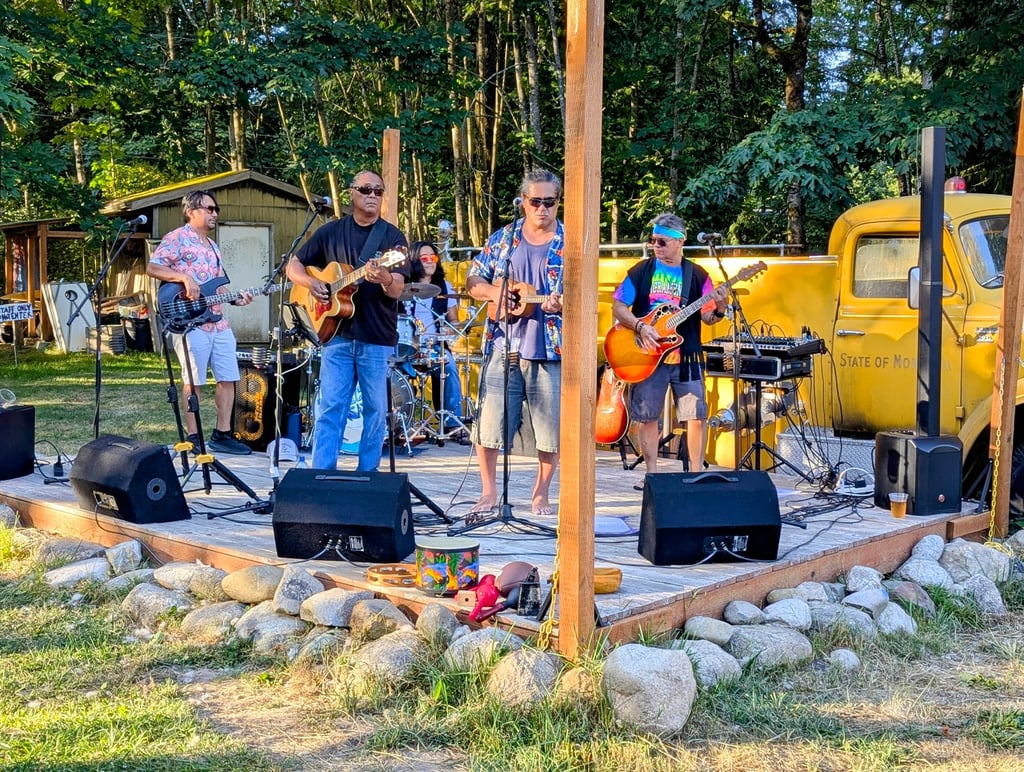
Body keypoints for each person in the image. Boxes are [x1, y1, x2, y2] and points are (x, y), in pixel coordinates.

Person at [286, 170, 409, 471]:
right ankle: (321, 473)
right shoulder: (331, 231)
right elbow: (293, 264)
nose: (372, 196)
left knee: (376, 410)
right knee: (330, 407)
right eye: (366, 189)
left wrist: (383, 278)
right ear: (351, 194)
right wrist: (310, 283)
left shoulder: (393, 238)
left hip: (376, 337)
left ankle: (368, 475)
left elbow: (397, 289)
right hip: (336, 335)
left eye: (378, 191)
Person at [466, 168, 564, 516]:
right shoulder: (504, 239)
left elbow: (577, 295)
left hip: (548, 346)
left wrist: (556, 303)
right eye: (535, 201)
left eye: (549, 202)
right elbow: (473, 279)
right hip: (502, 343)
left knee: (550, 427)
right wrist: (497, 291)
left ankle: (541, 493)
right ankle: (489, 492)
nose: (542, 209)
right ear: (523, 202)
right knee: (489, 422)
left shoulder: (568, 243)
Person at [611, 212, 729, 475]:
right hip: (648, 357)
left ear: (680, 241)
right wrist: (641, 326)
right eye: (653, 241)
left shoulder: (697, 275)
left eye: (662, 242)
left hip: (686, 358)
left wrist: (720, 306)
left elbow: (709, 318)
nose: (655, 246)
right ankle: (652, 474)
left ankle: (696, 474)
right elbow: (619, 307)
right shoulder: (642, 271)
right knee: (648, 417)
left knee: (696, 417)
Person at [147, 189, 254, 455]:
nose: (215, 213)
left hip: (217, 322)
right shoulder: (177, 238)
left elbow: (215, 287)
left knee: (229, 377)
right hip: (189, 322)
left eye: (216, 209)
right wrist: (183, 278)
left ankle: (222, 433)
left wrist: (235, 298)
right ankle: (194, 436)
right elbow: (153, 267)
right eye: (209, 208)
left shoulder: (213, 247)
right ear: (191, 211)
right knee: (192, 380)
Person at [402, 240, 465, 432]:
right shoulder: (402, 286)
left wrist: (449, 329)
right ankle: (398, 422)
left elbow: (454, 321)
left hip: (434, 346)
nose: (430, 261)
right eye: (424, 258)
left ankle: (452, 423)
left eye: (433, 257)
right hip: (405, 344)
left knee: (451, 367)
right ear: (414, 260)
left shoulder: (444, 287)